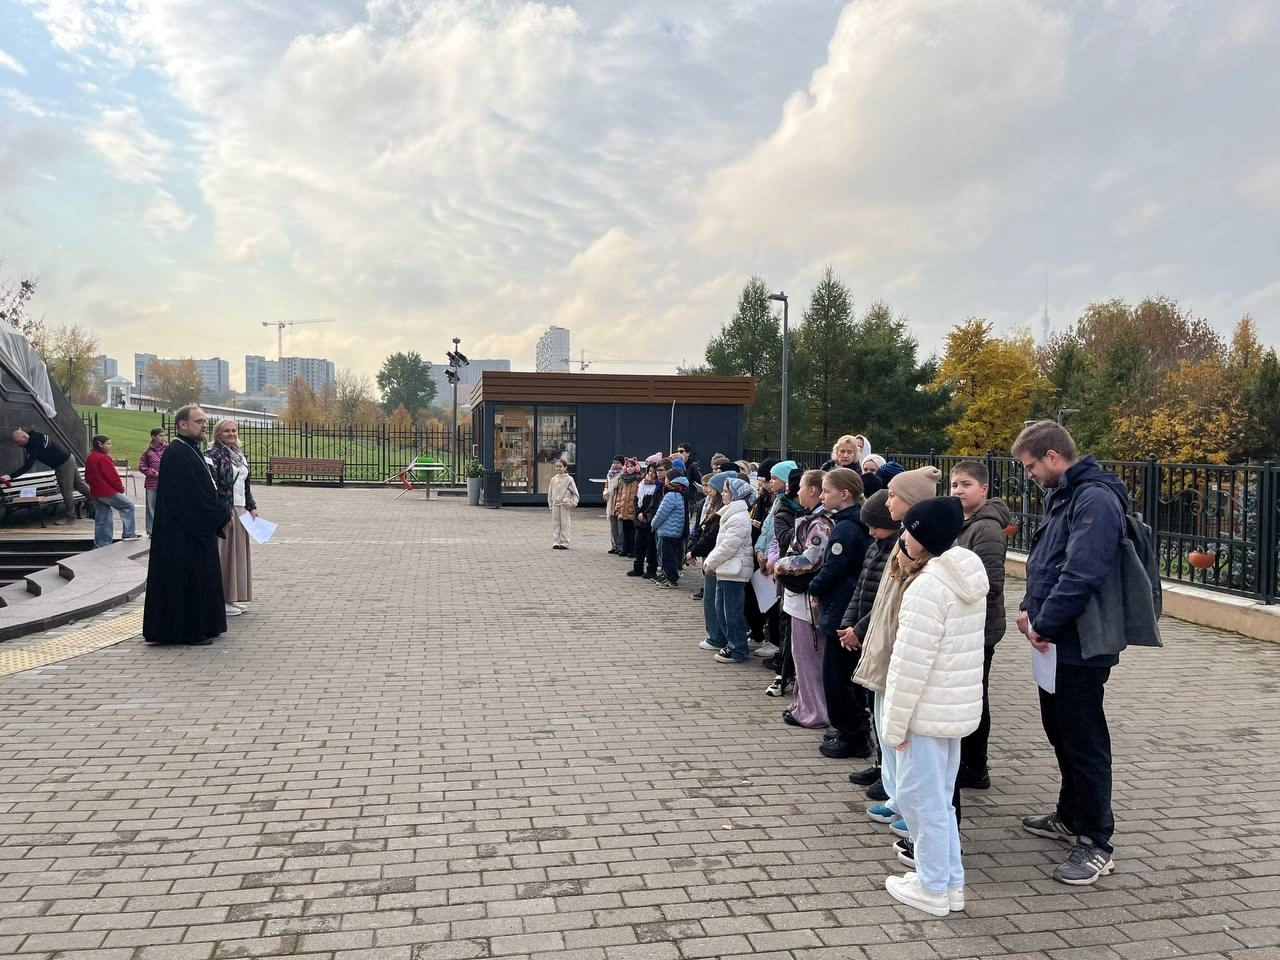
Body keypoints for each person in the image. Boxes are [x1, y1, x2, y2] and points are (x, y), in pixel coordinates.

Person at [1014, 420, 1129, 886]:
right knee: (1059, 730)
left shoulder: (1094, 498)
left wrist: (1045, 623)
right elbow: (1046, 560)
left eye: (1030, 466)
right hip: (1055, 639)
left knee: (1084, 740)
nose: (1029, 475)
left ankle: (1096, 840)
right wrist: (1028, 609)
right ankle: (1069, 813)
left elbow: (1082, 572)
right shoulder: (1064, 494)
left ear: (1053, 456)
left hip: (1080, 641)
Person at [880, 496, 987, 918]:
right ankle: (948, 882)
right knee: (939, 801)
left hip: (924, 712)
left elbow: (909, 665)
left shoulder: (928, 586)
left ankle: (932, 886)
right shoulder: (963, 576)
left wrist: (894, 725)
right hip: (949, 709)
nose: (902, 538)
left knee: (920, 802)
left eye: (908, 530)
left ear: (922, 536)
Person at [852, 465, 944, 833]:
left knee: (902, 734)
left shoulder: (922, 545)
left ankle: (911, 804)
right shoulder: (902, 539)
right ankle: (896, 796)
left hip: (900, 650)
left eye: (894, 495)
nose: (887, 501)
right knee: (885, 723)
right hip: (884, 643)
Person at [142, 405, 232, 646]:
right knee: (189, 581)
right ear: (182, 424)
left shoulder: (189, 449)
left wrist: (217, 509)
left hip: (194, 531)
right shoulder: (176, 453)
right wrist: (219, 513)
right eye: (199, 421)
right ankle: (187, 631)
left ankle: (206, 626)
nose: (204, 425)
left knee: (201, 579)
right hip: (182, 534)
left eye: (205, 421)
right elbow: (189, 496)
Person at [950, 460, 1012, 791]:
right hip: (964, 625)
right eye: (954, 485)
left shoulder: (985, 528)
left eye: (966, 484)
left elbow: (990, 582)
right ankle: (967, 761)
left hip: (979, 627)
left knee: (975, 698)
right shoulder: (964, 523)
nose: (958, 490)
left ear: (984, 489)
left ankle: (975, 765)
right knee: (967, 695)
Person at [837, 489, 901, 787]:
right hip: (863, 630)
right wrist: (848, 623)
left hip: (877, 632)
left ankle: (887, 767)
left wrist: (859, 629)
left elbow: (885, 602)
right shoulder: (875, 547)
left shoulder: (895, 552)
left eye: (875, 526)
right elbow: (861, 590)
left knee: (882, 704)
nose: (871, 532)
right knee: (871, 701)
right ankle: (881, 762)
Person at [806, 467, 869, 743]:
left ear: (844, 494)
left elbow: (833, 567)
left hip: (840, 607)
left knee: (837, 677)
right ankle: (851, 726)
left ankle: (851, 733)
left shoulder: (845, 528)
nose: (822, 496)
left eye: (827, 491)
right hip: (846, 605)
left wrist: (814, 587)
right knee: (845, 675)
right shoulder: (853, 522)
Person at [771, 468, 832, 727]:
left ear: (812, 490)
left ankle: (814, 712)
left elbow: (810, 559)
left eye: (801, 487)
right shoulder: (811, 518)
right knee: (801, 657)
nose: (797, 492)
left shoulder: (820, 523)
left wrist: (781, 564)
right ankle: (802, 706)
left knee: (809, 659)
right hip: (800, 600)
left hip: (808, 601)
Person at [207, 419, 258, 615]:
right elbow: (213, 486)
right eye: (226, 431)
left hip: (240, 509)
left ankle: (232, 596)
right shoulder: (213, 455)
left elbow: (245, 484)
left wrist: (251, 506)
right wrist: (223, 511)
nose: (231, 434)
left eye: (234, 430)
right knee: (225, 554)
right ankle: (220, 599)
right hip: (226, 510)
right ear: (218, 434)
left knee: (237, 554)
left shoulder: (239, 455)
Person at [704, 475, 754, 663]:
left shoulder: (738, 517)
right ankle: (732, 644)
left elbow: (728, 546)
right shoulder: (731, 514)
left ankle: (737, 648)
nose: (723, 494)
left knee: (732, 612)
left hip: (734, 570)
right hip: (726, 569)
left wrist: (711, 562)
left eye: (726, 491)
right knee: (722, 610)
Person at [1, 427, 93, 524]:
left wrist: (10, 476)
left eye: (18, 442)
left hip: (62, 464)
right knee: (78, 484)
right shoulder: (35, 435)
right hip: (69, 457)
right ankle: (95, 499)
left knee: (66, 490)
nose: (17, 445)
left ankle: (70, 516)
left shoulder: (34, 447)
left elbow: (27, 467)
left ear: (24, 437)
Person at [687, 479, 725, 652]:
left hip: (715, 560)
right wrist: (693, 548)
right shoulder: (712, 506)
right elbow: (701, 530)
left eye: (712, 487)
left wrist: (694, 551)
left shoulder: (722, 511)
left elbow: (711, 537)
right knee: (713, 601)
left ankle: (716, 637)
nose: (708, 490)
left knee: (713, 601)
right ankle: (715, 636)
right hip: (712, 558)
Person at [84, 435, 138, 548]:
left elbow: (87, 476)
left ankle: (102, 543)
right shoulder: (103, 458)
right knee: (128, 505)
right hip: (106, 490)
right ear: (100, 444)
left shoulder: (90, 457)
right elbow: (112, 476)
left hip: (96, 491)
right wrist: (120, 488)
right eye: (108, 444)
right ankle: (129, 534)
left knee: (103, 516)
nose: (110, 446)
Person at [650, 468, 689, 586]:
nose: (665, 480)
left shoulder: (671, 495)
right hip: (676, 531)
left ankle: (671, 579)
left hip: (668, 531)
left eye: (667, 477)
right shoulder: (681, 493)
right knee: (670, 556)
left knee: (667, 557)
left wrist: (653, 524)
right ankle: (666, 575)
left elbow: (661, 513)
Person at [628, 464, 663, 579]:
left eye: (654, 472)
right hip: (640, 519)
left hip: (650, 520)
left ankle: (651, 569)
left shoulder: (658, 486)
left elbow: (655, 504)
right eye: (650, 471)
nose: (651, 474)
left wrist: (646, 515)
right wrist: (638, 512)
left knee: (651, 546)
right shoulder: (642, 484)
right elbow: (636, 500)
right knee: (639, 544)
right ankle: (638, 568)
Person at [138, 427, 167, 536]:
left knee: (165, 507)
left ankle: (164, 528)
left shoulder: (168, 449)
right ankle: (151, 531)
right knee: (151, 508)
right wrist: (154, 473)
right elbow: (142, 466)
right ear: (153, 437)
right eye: (160, 436)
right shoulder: (148, 452)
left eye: (164, 435)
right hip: (151, 483)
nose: (163, 438)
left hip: (166, 483)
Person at [547, 458, 580, 549]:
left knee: (565, 524)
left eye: (560, 466)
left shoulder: (569, 479)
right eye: (557, 466)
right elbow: (550, 492)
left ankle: (565, 542)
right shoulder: (553, 479)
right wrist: (550, 504)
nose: (558, 468)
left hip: (565, 505)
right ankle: (556, 541)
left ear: (565, 467)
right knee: (556, 523)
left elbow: (575, 493)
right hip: (555, 504)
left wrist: (574, 502)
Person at [611, 458, 640, 557]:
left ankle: (632, 550)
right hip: (624, 508)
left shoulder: (638, 479)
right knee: (625, 530)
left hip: (632, 508)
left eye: (632, 466)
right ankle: (625, 548)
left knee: (632, 531)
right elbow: (619, 494)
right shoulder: (623, 479)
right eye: (628, 466)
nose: (629, 468)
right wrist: (618, 505)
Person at [605, 455, 625, 553]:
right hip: (610, 502)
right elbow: (606, 485)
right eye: (614, 463)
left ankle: (621, 546)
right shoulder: (609, 474)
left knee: (620, 526)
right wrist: (605, 493)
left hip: (619, 502)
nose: (615, 465)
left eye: (618, 463)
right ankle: (614, 545)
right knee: (613, 526)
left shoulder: (623, 475)